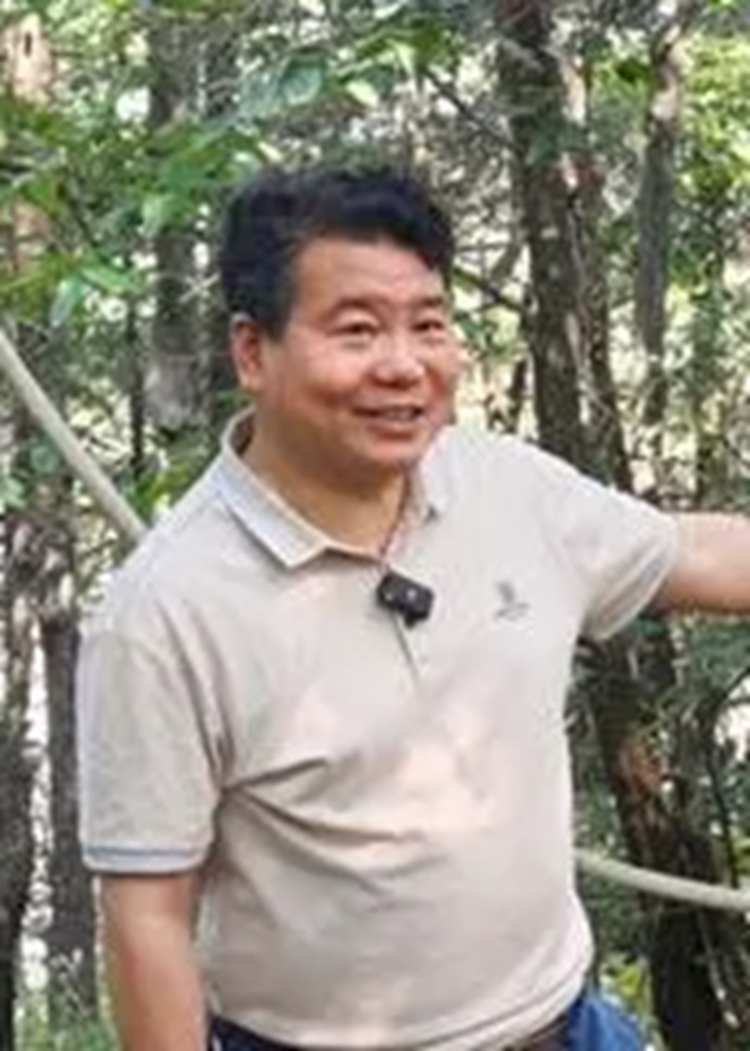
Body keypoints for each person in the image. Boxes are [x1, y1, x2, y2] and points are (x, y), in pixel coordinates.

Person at [76, 163, 750, 1051]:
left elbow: (690, 552)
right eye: (357, 329)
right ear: (252, 351)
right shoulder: (166, 612)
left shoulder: (506, 487)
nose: (403, 364)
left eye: (427, 324)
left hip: (567, 1026)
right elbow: (147, 913)